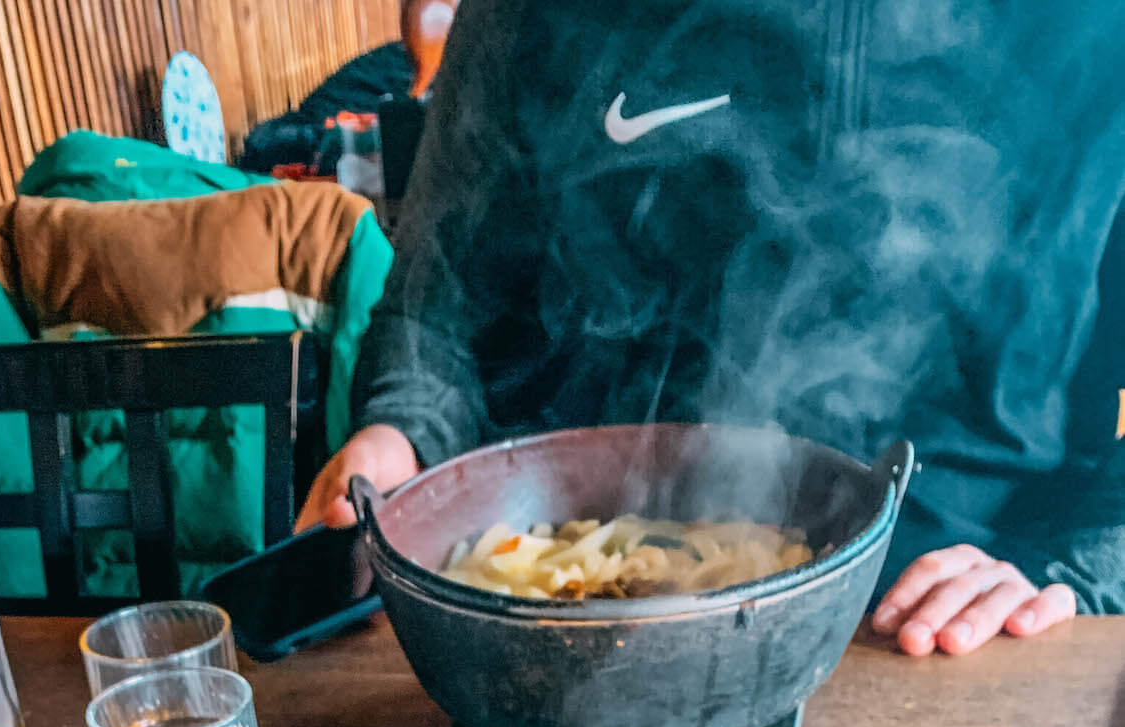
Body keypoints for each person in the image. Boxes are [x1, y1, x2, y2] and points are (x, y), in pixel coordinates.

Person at [298, 0, 1125, 657]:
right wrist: (400, 431)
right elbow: (438, 301)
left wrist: (1072, 578)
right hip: (563, 614)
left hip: (943, 625)